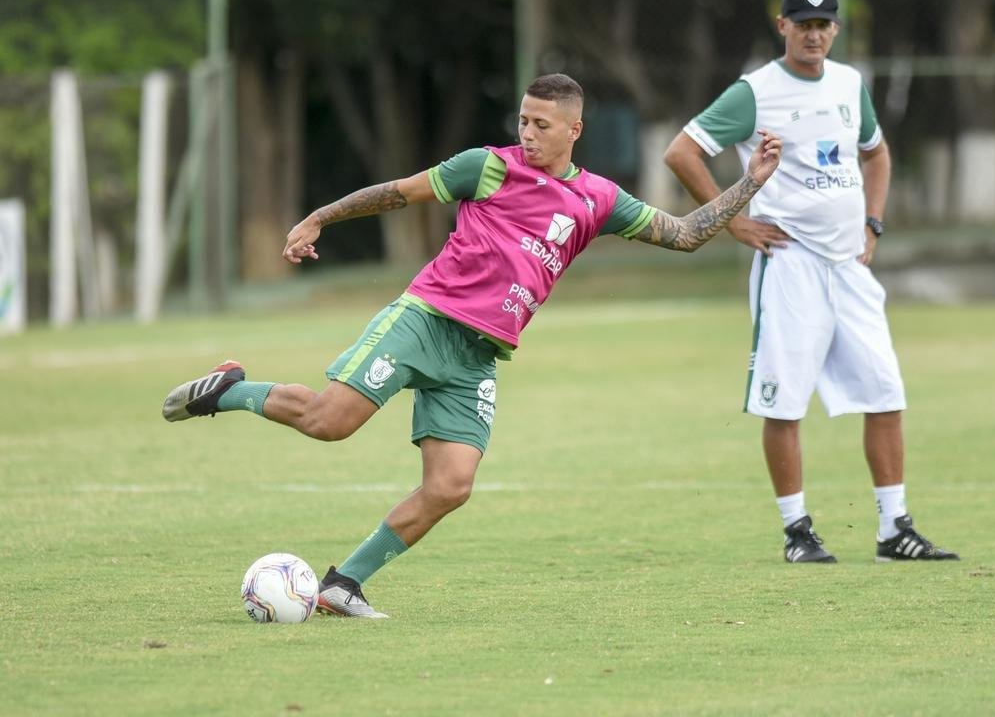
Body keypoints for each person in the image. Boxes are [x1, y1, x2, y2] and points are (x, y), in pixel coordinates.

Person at [162, 73, 783, 617]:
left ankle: (343, 584)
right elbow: (398, 192)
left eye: (541, 125)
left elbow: (683, 234)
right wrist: (319, 217)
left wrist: (749, 182)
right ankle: (229, 390)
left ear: (575, 130)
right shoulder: (487, 166)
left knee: (451, 486)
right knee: (330, 422)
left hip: (477, 357)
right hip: (425, 320)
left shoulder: (599, 199)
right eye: (523, 120)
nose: (527, 133)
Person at [663, 0, 958, 564]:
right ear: (783, 27)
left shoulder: (849, 84)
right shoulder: (755, 91)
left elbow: (876, 153)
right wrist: (733, 221)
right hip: (790, 264)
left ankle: (894, 529)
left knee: (886, 392)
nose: (814, 34)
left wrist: (873, 223)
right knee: (784, 403)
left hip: (849, 266)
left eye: (823, 24)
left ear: (836, 30)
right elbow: (681, 152)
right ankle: (797, 532)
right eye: (803, 24)